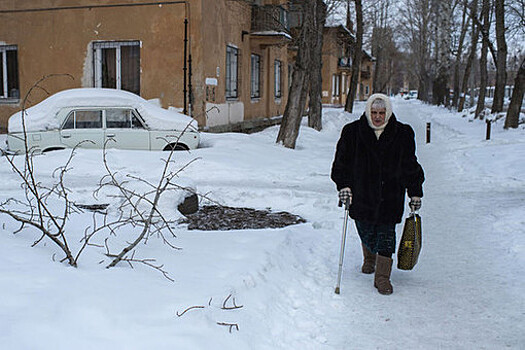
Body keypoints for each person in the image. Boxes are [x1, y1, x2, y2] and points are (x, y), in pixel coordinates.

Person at [331, 93, 424, 295]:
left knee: (386, 235)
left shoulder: (403, 133)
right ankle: (369, 258)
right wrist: (344, 186)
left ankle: (382, 277)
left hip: (390, 195)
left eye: (382, 113)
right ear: (368, 112)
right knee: (366, 230)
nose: (378, 117)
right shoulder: (352, 132)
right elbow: (341, 163)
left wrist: (415, 192)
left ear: (388, 112)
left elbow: (410, 165)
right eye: (374, 112)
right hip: (362, 194)